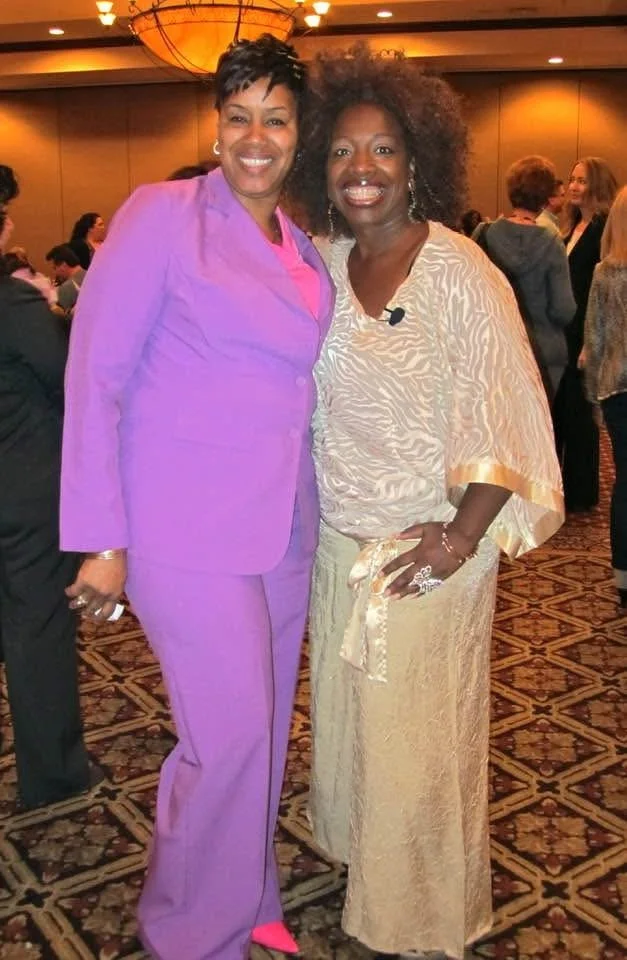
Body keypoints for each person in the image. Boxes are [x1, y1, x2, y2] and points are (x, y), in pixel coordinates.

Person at [60, 35, 333, 960]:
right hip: (183, 525)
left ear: (300, 135)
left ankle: (250, 895)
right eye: (239, 117)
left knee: (261, 730)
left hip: (284, 525)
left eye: (276, 118)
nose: (256, 136)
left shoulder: (299, 244)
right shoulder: (163, 214)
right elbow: (97, 371)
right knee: (223, 738)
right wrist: (101, 535)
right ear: (217, 127)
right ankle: (187, 933)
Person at [293, 46, 564, 960]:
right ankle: (366, 858)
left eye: (381, 151)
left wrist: (458, 534)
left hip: (430, 547)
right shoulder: (319, 267)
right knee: (355, 720)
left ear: (418, 164)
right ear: (316, 167)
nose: (360, 169)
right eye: (339, 151)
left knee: (418, 738)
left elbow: (505, 403)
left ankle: (416, 911)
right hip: (340, 543)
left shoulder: (457, 269)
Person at [0, 168, 93, 810]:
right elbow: (72, 379)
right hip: (24, 493)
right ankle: (55, 774)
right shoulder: (13, 303)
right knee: (37, 631)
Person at [472, 155, 575, 402]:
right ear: (545, 197)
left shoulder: (484, 234)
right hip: (543, 355)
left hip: (495, 349)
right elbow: (563, 309)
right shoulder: (552, 244)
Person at [553, 156, 617, 511]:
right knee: (563, 411)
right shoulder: (571, 226)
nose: (574, 186)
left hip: (587, 332)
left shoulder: (605, 227)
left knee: (580, 414)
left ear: (597, 186)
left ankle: (581, 494)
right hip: (565, 330)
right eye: (571, 179)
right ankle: (562, 488)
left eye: (582, 181)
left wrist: (595, 342)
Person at [581, 185, 627, 608]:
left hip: (616, 388)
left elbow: (594, 339)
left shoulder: (606, 272)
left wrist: (593, 398)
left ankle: (622, 574)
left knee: (625, 483)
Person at [45, 243, 86, 323]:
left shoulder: (67, 288)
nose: (55, 273)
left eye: (55, 268)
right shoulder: (91, 276)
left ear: (63, 265)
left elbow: (55, 317)